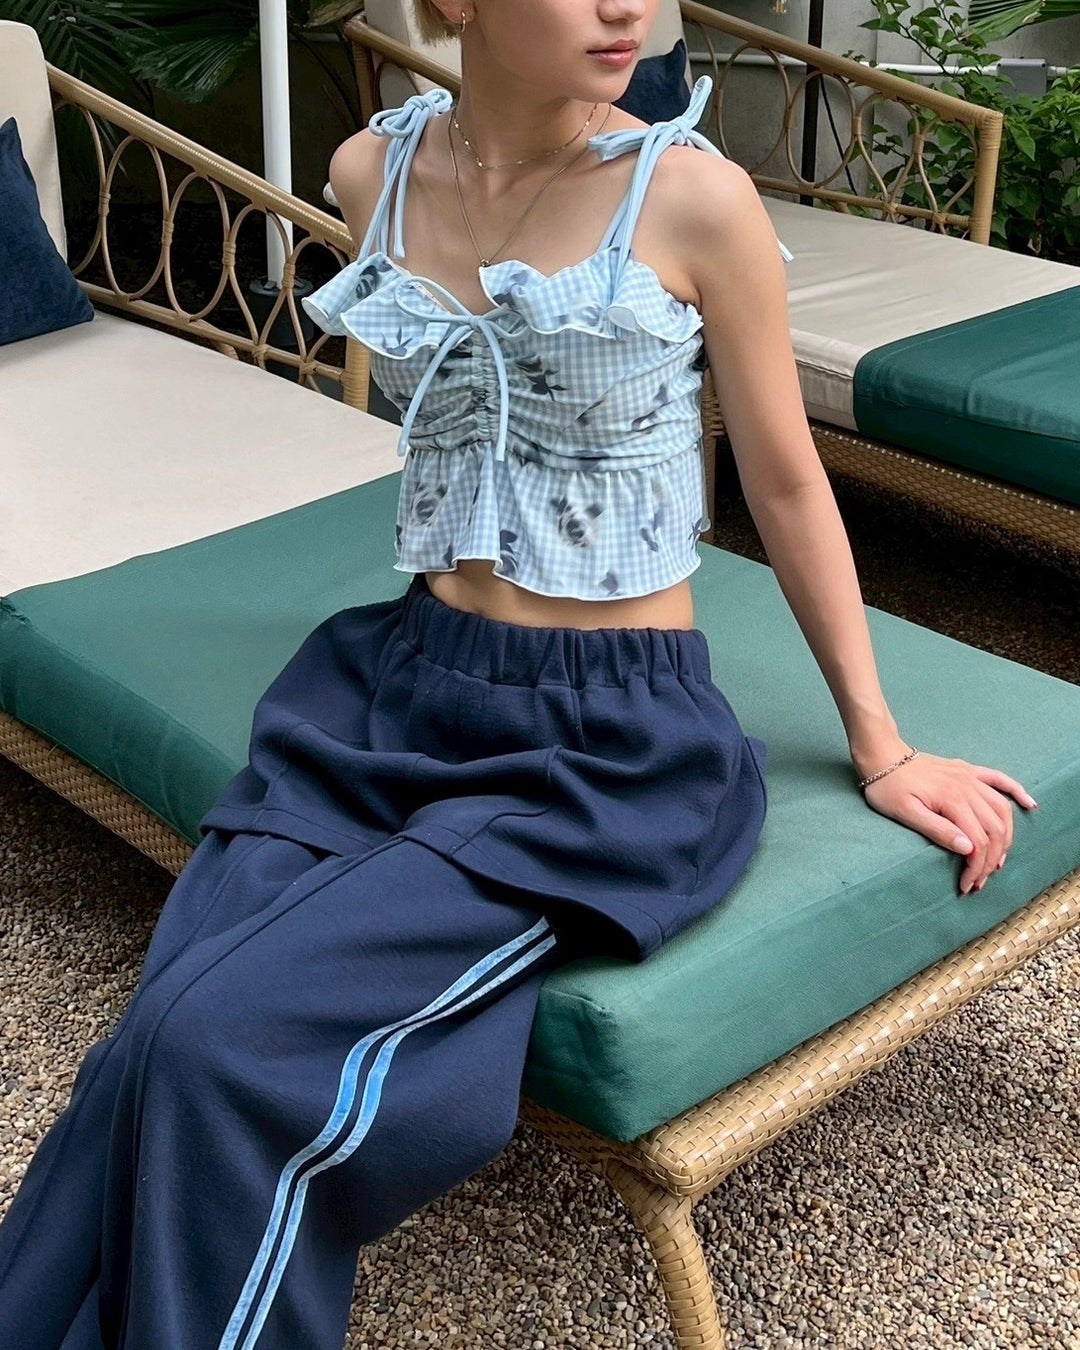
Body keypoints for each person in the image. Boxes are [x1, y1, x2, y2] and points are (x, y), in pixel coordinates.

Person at [0, 0, 1037, 1346]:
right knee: (147, 1040)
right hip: (390, 689)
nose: (630, 10)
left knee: (215, 1049)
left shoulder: (692, 200)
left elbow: (787, 482)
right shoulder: (370, 174)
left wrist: (882, 744)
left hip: (603, 751)